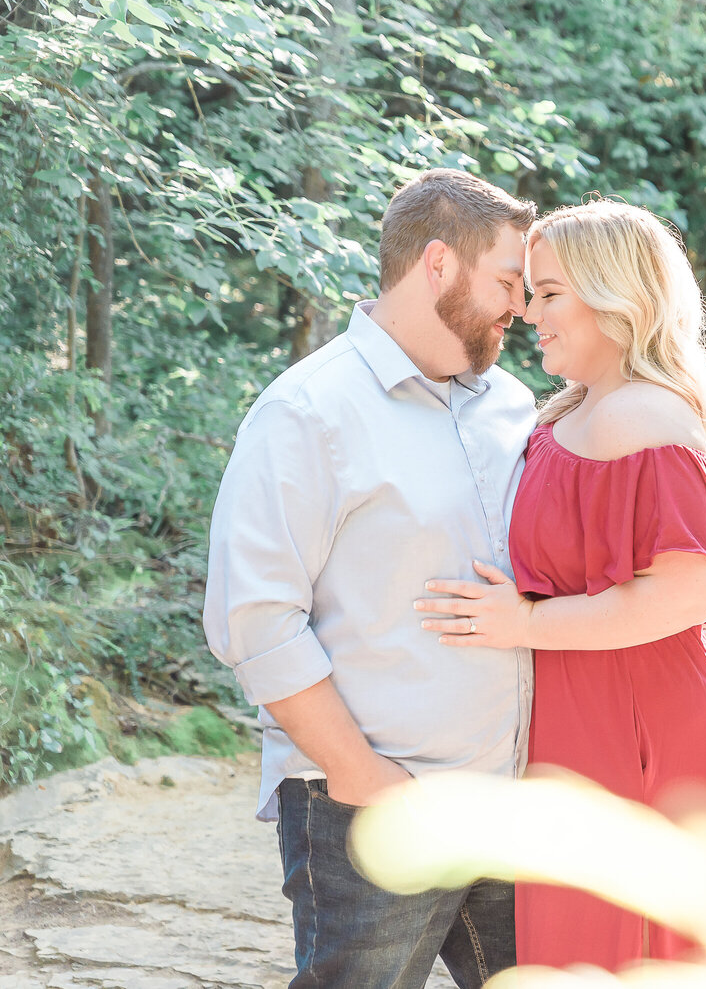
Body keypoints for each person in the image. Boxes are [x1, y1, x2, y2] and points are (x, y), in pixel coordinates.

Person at [203, 168, 539, 988]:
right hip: (366, 811)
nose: (522, 308)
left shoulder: (517, 406)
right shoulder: (306, 413)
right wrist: (365, 778)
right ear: (437, 265)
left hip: (509, 804)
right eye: (507, 281)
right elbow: (253, 620)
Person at [414, 199, 706, 971]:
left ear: (615, 296)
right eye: (529, 291)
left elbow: (687, 593)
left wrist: (523, 624)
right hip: (590, 722)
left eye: (549, 293)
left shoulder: (642, 416)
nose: (528, 311)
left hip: (645, 727)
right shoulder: (579, 408)